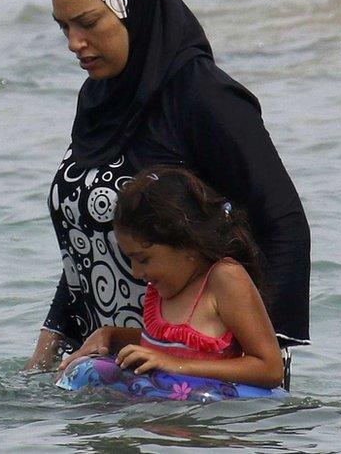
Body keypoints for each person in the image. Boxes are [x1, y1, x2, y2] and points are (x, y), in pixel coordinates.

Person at [24, 0, 310, 385]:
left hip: (198, 382)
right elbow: (91, 241)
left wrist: (261, 359)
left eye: (88, 22)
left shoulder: (204, 98)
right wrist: (46, 351)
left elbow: (283, 223)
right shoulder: (97, 102)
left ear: (130, 7)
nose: (74, 43)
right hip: (108, 366)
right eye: (64, 27)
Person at [90, 165, 284, 388]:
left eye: (143, 259)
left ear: (188, 246)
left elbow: (270, 368)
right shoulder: (162, 287)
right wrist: (110, 335)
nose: (135, 272)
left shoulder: (224, 278)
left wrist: (176, 365)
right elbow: (173, 346)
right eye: (130, 259)